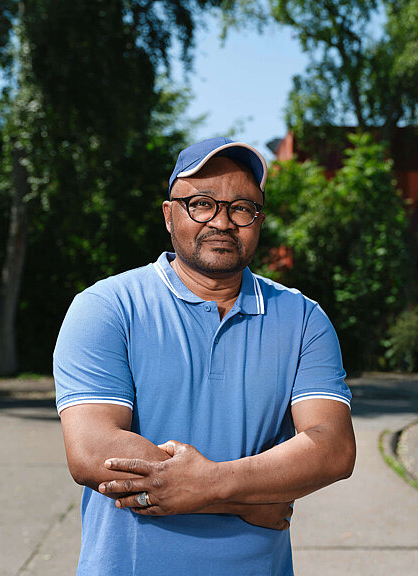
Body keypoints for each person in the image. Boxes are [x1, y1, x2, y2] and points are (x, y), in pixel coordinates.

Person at [53, 137, 356, 575]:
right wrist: (243, 501)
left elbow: (333, 448)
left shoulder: (303, 318)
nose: (222, 221)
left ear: (258, 220)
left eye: (242, 208)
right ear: (168, 215)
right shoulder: (106, 307)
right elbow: (92, 450)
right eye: (201, 204)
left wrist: (212, 484)